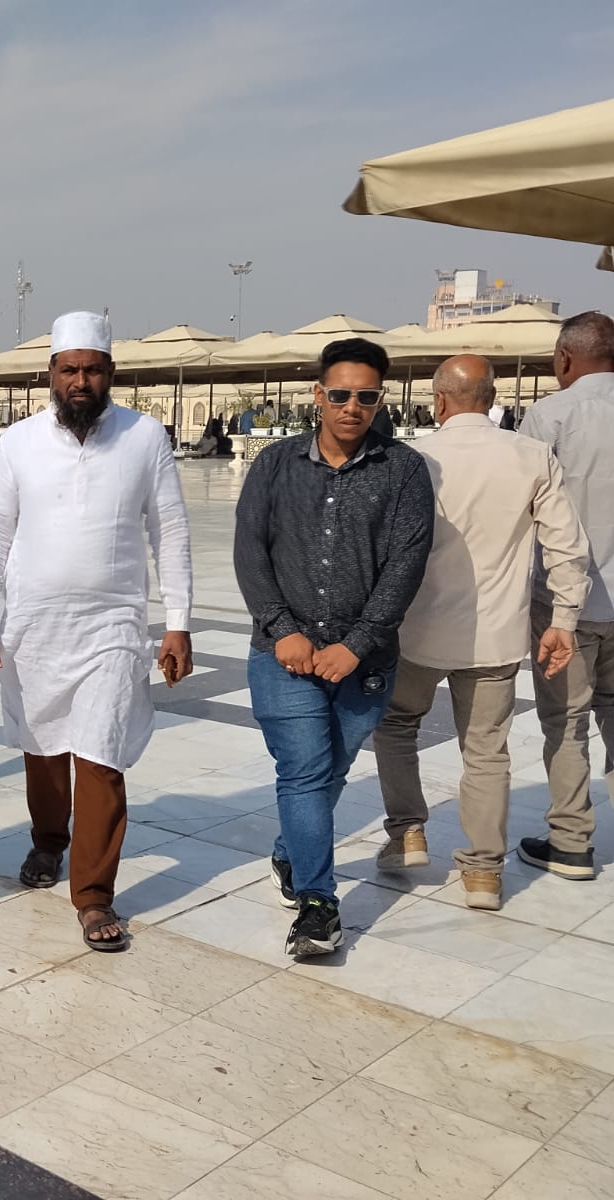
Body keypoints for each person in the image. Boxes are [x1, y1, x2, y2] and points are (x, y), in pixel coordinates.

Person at [0, 311, 193, 951]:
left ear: (110, 374)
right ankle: (48, 841)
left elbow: (170, 532)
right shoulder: (18, 442)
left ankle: (94, 895)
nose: (80, 380)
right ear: (51, 375)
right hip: (33, 628)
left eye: (92, 369)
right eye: (69, 369)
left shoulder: (145, 437)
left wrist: (176, 623)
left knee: (101, 754)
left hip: (113, 627)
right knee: (42, 749)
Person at [234, 337, 434, 957]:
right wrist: (282, 627)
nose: (352, 406)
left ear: (380, 400)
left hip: (364, 662)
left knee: (330, 771)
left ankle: (290, 851)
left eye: (366, 396)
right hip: (282, 655)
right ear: (319, 396)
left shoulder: (403, 471)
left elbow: (406, 566)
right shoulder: (275, 464)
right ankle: (320, 906)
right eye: (340, 393)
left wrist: (358, 643)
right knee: (304, 769)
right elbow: (250, 550)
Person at [371, 355, 587, 910]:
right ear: (491, 400)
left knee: (396, 726)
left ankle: (407, 833)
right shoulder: (531, 455)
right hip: (496, 633)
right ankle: (483, 873)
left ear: (438, 401)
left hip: (416, 630)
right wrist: (563, 620)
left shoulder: (414, 458)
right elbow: (566, 547)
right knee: (486, 750)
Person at [515, 311, 614, 879]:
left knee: (567, 722)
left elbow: (523, 506)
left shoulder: (552, 413)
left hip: (565, 607)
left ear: (565, 359)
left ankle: (572, 842)